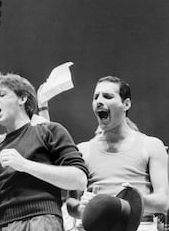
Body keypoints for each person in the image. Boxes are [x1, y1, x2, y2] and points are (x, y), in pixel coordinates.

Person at [0, 72, 88, 231]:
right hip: (1, 225)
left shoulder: (48, 131)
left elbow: (79, 179)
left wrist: (25, 165)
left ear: (22, 98)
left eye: (1, 94)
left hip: (40, 220)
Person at [69, 76, 169, 231]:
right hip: (94, 226)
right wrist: (83, 208)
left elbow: (163, 201)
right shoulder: (82, 150)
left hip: (140, 225)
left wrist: (127, 202)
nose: (99, 101)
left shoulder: (152, 145)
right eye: (96, 97)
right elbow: (70, 203)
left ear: (126, 104)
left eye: (107, 96)